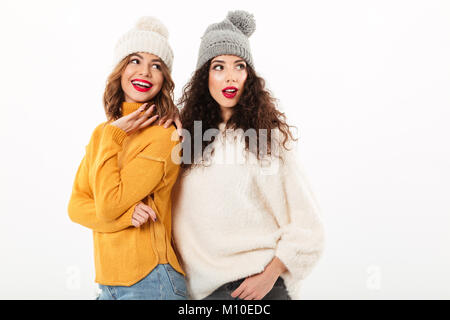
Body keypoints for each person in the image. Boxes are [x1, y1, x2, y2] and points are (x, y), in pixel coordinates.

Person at [172, 10, 325, 300]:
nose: (230, 76)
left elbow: (309, 227)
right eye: (218, 67)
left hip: (256, 287)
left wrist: (268, 277)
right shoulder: (187, 142)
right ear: (204, 76)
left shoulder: (268, 139)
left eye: (239, 66)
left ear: (249, 75)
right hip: (200, 294)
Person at [67, 17, 187, 300]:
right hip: (107, 284)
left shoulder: (164, 136)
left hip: (152, 280)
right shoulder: (102, 133)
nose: (145, 72)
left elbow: (108, 206)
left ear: (164, 79)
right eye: (135, 60)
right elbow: (76, 205)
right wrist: (125, 216)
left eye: (156, 65)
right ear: (120, 70)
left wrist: (112, 138)